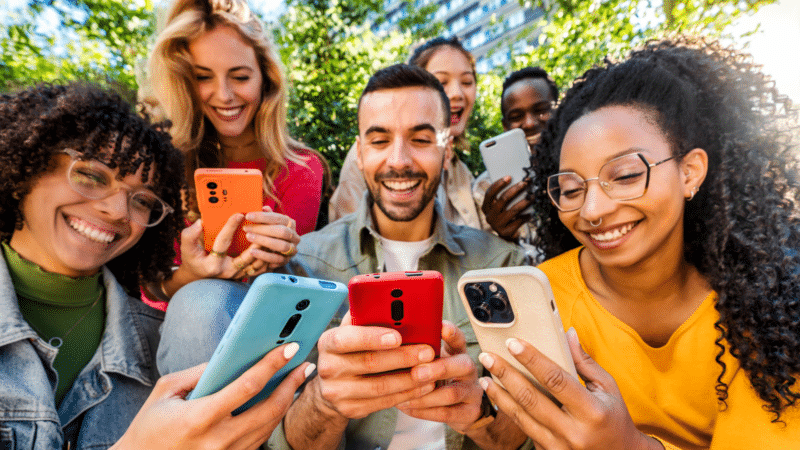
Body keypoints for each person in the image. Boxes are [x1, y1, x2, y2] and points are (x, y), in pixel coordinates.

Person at [158, 64, 531, 450]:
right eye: (379, 140)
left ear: (447, 147)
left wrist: (480, 413)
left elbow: (525, 438)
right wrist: (323, 403)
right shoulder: (303, 264)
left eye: (420, 139)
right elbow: (276, 440)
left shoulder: (502, 267)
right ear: (359, 150)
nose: (399, 160)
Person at [477, 38, 800, 448]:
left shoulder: (768, 310)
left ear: (690, 172)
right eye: (571, 188)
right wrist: (475, 408)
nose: (592, 210)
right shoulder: (545, 293)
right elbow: (515, 432)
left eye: (627, 175)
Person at [0, 83, 312, 449]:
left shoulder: (163, 344)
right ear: (24, 167)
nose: (117, 212)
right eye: (91, 176)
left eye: (142, 200)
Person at [144, 0, 325, 304]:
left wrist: (280, 259)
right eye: (203, 77)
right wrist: (191, 274)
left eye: (240, 77)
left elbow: (283, 294)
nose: (225, 96)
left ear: (266, 79)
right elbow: (146, 287)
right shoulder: (165, 160)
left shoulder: (303, 170)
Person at [328, 36, 483, 231]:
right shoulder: (369, 160)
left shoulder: (461, 172)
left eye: (467, 82)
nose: (457, 93)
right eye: (441, 82)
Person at [473, 66, 558, 260]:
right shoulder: (485, 189)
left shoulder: (580, 165)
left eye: (542, 110)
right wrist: (502, 238)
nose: (529, 123)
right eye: (516, 117)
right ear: (505, 127)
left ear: (558, 110)